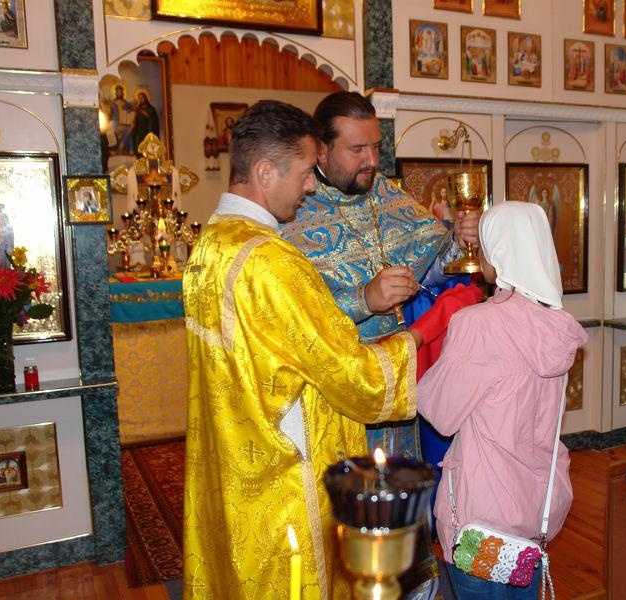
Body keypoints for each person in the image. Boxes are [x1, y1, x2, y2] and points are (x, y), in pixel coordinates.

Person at [181, 100, 475, 599]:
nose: (311, 183)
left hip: (239, 458)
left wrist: (459, 244)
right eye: (305, 170)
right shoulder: (274, 258)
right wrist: (426, 328)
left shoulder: (211, 244)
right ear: (267, 170)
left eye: (375, 147)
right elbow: (355, 377)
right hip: (289, 461)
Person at [281, 91, 481, 457]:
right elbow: (292, 321)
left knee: (401, 495)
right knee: (351, 502)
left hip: (397, 379)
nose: (371, 161)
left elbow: (432, 270)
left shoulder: (387, 192)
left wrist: (459, 242)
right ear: (322, 150)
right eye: (357, 149)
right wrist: (366, 299)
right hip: (339, 392)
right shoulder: (294, 213)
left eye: (375, 146)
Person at [418, 201, 588, 598]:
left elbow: (440, 412)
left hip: (483, 513)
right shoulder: (559, 327)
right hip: (534, 509)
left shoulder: (479, 324)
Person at [131, 90, 159, 155]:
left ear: (145, 98)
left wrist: (140, 111)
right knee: (138, 144)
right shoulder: (138, 108)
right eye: (139, 98)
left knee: (147, 146)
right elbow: (135, 118)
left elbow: (149, 116)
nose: (141, 99)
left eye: (142, 98)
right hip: (139, 130)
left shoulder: (151, 108)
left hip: (147, 130)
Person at [109, 84, 134, 155]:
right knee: (110, 130)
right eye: (118, 92)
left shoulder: (126, 103)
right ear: (116, 93)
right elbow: (109, 113)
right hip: (115, 121)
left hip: (123, 122)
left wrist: (129, 110)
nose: (119, 93)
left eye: (120, 92)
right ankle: (113, 149)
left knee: (129, 130)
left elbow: (132, 110)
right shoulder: (112, 103)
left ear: (123, 93)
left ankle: (129, 150)